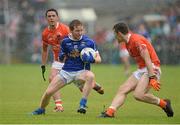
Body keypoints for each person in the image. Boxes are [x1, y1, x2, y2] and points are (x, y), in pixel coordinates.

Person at [99, 22, 174, 118]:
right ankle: (110, 112)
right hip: (142, 69)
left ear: (119, 34)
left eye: (115, 34)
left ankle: (164, 104)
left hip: (151, 67)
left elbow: (147, 58)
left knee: (138, 95)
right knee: (123, 89)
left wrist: (152, 77)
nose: (115, 37)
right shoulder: (127, 43)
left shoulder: (136, 40)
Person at [32, 19, 102, 115]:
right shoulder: (65, 42)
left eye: (81, 30)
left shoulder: (89, 42)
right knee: (48, 93)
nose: (80, 33)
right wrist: (61, 56)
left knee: (90, 76)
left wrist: (92, 59)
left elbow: (99, 59)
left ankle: (82, 104)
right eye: (77, 31)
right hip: (66, 72)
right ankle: (41, 109)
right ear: (71, 30)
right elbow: (61, 57)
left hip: (81, 72)